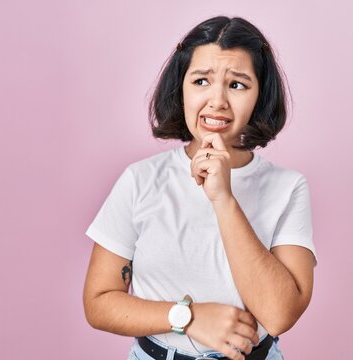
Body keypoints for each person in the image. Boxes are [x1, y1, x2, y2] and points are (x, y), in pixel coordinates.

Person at [83, 16, 317, 360]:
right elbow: (98, 302)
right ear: (180, 88)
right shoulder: (140, 180)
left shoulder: (288, 188)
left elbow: (279, 315)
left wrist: (223, 198)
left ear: (260, 96)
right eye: (201, 81)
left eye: (237, 85)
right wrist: (187, 317)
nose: (217, 100)